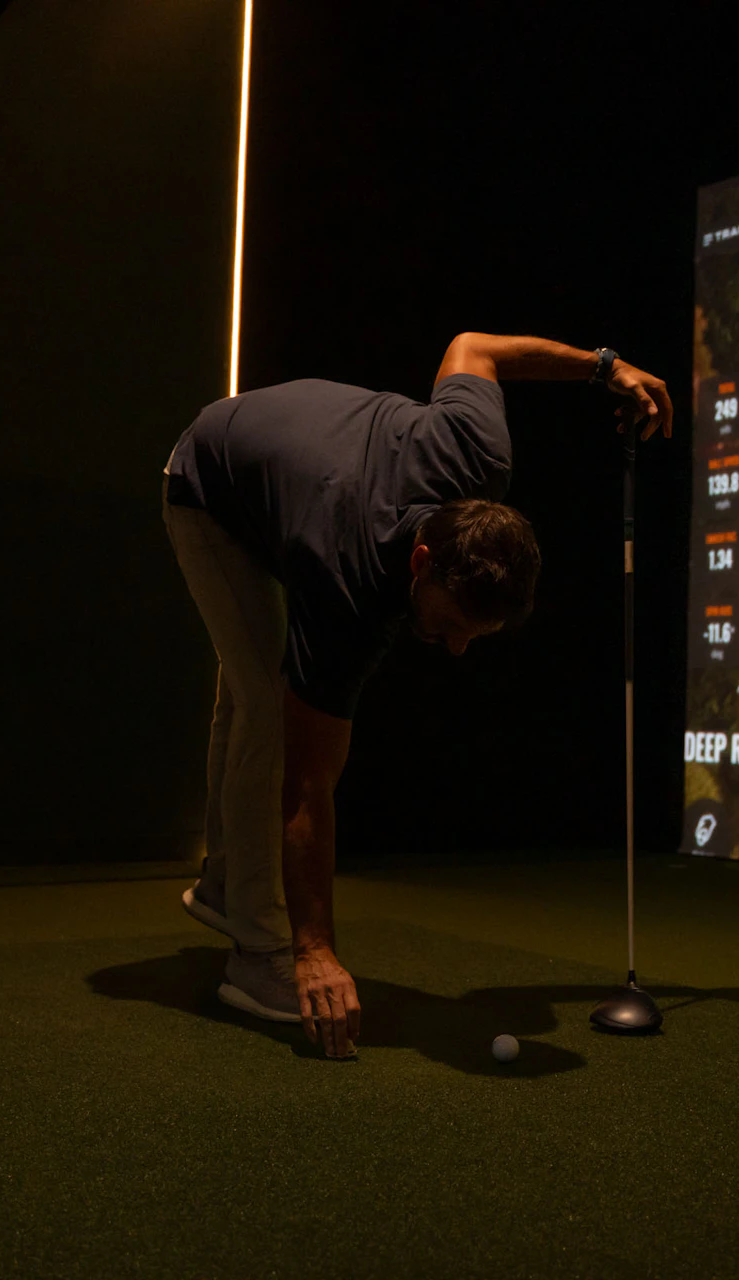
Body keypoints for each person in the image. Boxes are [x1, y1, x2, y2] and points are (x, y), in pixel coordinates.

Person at [162, 333, 671, 1058]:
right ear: (422, 562)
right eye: (454, 626)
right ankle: (257, 955)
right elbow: (309, 787)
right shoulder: (347, 583)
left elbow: (475, 348)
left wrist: (603, 368)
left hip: (290, 471)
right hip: (209, 485)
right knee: (268, 713)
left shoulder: (477, 454)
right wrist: (316, 949)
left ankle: (226, 883)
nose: (457, 648)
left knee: (255, 692)